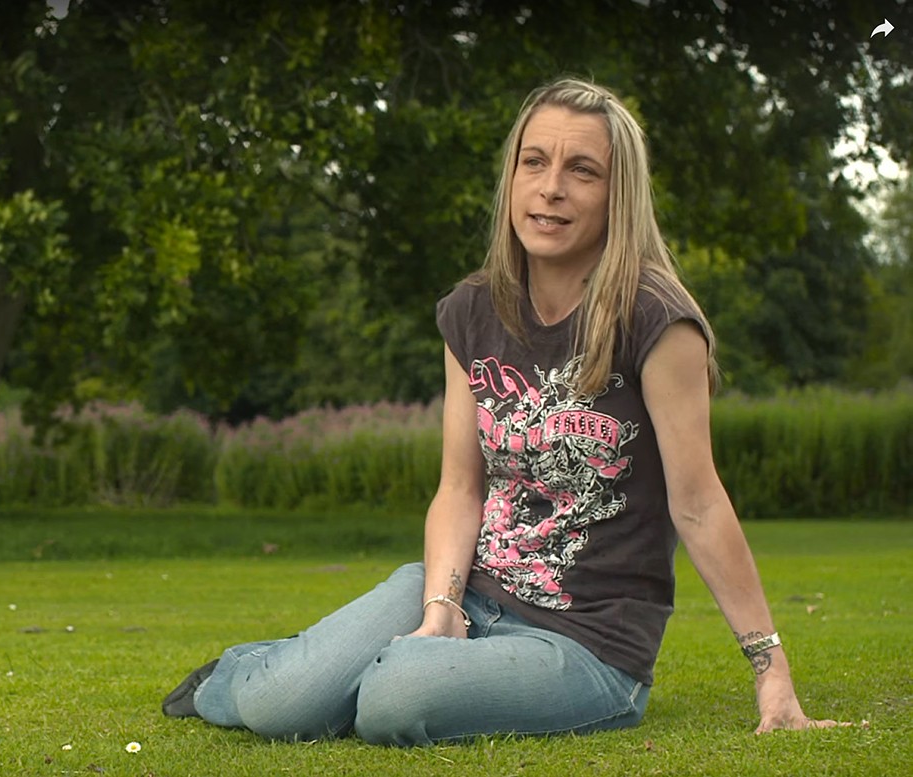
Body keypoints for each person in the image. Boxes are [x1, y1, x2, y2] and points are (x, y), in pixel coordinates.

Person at [160, 77, 846, 746]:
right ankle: (249, 670)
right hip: (470, 597)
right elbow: (461, 487)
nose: (551, 188)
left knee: (394, 697)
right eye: (534, 162)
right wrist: (441, 606)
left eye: (583, 171)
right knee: (279, 703)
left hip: (588, 647)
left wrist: (771, 666)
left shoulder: (657, 321)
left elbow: (697, 503)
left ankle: (349, 671)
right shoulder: (475, 310)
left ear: (619, 196)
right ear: (512, 178)